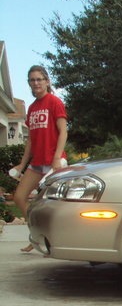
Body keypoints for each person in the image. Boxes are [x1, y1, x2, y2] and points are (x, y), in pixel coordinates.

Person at [13, 65, 68, 252]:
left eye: (39, 79)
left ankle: (51, 242)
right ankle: (36, 236)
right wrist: (22, 164)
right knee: (19, 197)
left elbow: (63, 132)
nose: (36, 83)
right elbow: (30, 139)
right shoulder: (32, 107)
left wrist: (56, 159)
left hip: (54, 162)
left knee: (49, 206)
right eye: (32, 80)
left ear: (46, 81)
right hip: (37, 163)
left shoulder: (54, 102)